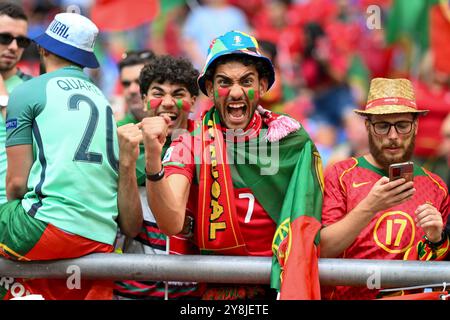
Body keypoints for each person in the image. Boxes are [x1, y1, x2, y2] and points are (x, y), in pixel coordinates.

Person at [141, 30, 323, 300]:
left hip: (278, 288)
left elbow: (310, 226)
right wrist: (153, 159)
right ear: (211, 89)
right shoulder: (190, 144)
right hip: (214, 293)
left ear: (261, 86)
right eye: (225, 82)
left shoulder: (292, 143)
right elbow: (171, 222)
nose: (236, 92)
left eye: (246, 81)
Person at [0, 12, 126, 300]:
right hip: (102, 237)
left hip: (49, 227)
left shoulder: (28, 90)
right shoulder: (102, 98)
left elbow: (16, 185)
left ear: (44, 48)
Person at [320, 78, 449, 300]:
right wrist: (370, 207)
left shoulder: (436, 186)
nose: (393, 136)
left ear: (416, 125)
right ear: (368, 126)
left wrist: (436, 239)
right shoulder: (340, 174)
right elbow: (323, 248)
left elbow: (435, 272)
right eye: (382, 126)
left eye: (402, 125)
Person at [115, 54, 205, 300]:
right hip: (135, 288)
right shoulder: (126, 141)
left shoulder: (209, 143)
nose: (168, 102)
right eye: (158, 93)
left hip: (192, 290)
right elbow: (130, 227)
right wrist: (127, 162)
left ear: (193, 101)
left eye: (178, 94)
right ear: (144, 100)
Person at [0, 2, 33, 205]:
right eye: (4, 38)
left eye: (21, 41)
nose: (13, 47)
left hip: (11, 208)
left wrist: (3, 98)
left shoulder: (34, 89)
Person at [116, 50, 155, 126]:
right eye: (126, 84)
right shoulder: (115, 130)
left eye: (139, 82)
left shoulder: (174, 126)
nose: (132, 90)